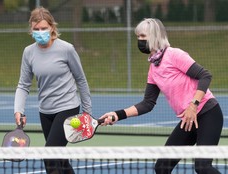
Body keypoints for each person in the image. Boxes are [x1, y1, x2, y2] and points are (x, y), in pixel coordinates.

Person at [100, 18, 223, 174]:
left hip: (208, 113)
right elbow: (147, 103)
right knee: (162, 167)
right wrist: (117, 115)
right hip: (188, 120)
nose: (139, 40)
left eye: (142, 36)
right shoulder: (153, 69)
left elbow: (205, 76)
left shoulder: (174, 55)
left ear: (154, 36)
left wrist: (194, 105)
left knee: (202, 166)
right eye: (138, 37)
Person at [14, 7, 92, 174]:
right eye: (36, 29)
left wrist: (87, 111)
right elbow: (23, 85)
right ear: (31, 29)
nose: (40, 32)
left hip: (67, 108)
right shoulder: (28, 53)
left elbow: (81, 80)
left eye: (44, 28)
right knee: (61, 160)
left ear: (52, 27)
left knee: (49, 156)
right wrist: (18, 110)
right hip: (45, 111)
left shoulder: (66, 49)